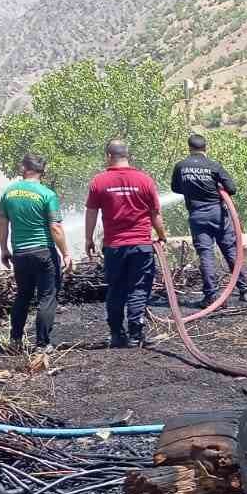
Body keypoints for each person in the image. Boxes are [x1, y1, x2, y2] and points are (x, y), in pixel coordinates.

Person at [84, 139, 166, 348]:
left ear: (108, 156)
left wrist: (89, 238)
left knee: (116, 288)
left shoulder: (99, 182)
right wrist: (161, 235)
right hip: (141, 245)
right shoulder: (144, 180)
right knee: (139, 288)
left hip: (114, 246)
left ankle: (116, 334)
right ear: (128, 156)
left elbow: (91, 213)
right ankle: (136, 335)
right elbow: (155, 213)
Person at [0, 153, 72, 352]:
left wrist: (4, 249)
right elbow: (55, 228)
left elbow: (3, 223)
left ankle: (15, 341)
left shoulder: (8, 193)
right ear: (43, 171)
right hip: (43, 252)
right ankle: (42, 344)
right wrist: (65, 253)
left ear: (24, 168)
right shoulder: (47, 194)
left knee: (23, 296)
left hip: (20, 254)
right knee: (47, 297)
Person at [171, 133, 247, 307]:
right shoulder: (214, 166)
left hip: (198, 215)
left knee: (206, 255)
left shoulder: (181, 166)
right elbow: (232, 189)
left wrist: (192, 189)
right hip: (218, 214)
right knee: (230, 250)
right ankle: (245, 290)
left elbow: (175, 188)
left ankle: (211, 296)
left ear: (189, 148)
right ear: (205, 148)